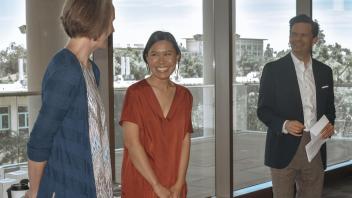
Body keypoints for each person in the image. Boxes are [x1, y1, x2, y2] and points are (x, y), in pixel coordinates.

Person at [26, 0, 115, 197]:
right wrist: (34, 192)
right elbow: (40, 138)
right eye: (110, 21)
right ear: (97, 22)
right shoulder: (66, 69)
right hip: (70, 185)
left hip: (93, 182)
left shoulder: (92, 70)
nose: (112, 28)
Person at [257, 14, 335, 198]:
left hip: (315, 145)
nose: (296, 39)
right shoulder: (273, 69)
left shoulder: (325, 71)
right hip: (283, 146)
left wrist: (329, 125)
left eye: (303, 35)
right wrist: (284, 124)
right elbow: (263, 110)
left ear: (315, 39)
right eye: (294, 34)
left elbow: (330, 108)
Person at [119, 31, 193, 198]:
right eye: (154, 54)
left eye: (168, 54)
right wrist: (156, 185)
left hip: (174, 185)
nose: (161, 61)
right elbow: (132, 143)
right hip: (142, 182)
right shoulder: (135, 93)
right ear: (147, 58)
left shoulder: (185, 96)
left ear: (178, 57)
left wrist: (179, 183)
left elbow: (185, 141)